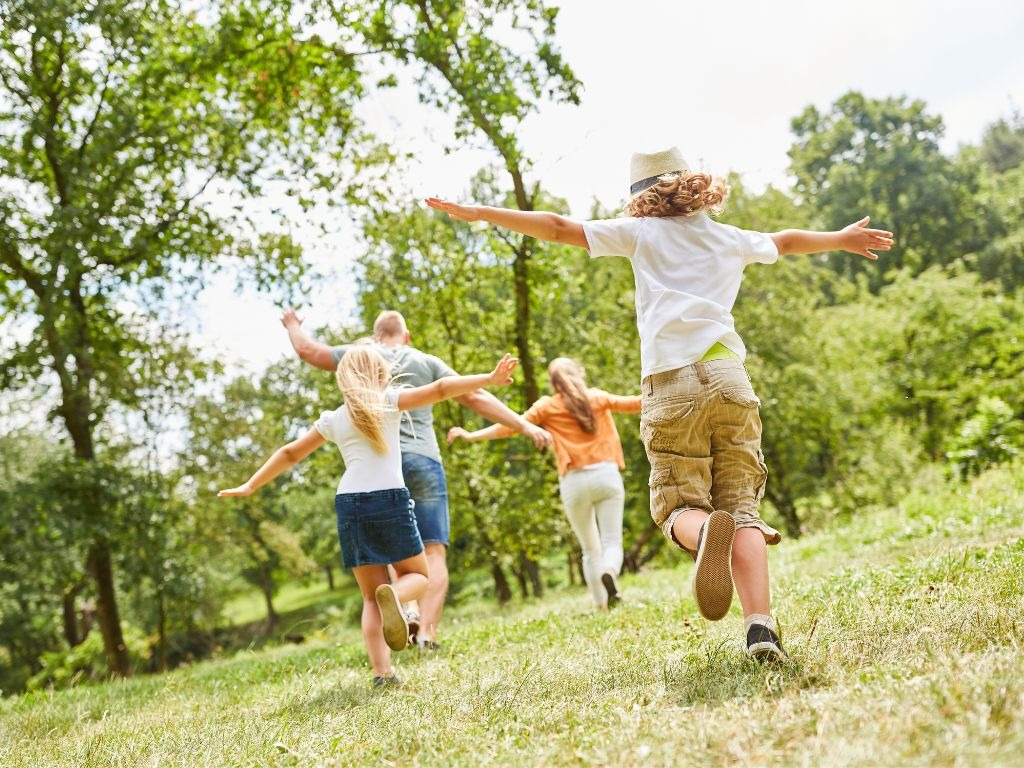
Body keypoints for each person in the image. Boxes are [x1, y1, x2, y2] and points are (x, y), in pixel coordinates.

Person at [425, 146, 893, 661]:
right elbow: (784, 240)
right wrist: (843, 239)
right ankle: (761, 629)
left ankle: (702, 531)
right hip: (729, 378)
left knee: (676, 506)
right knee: (743, 510)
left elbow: (558, 226)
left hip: (671, 384)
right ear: (692, 184)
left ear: (642, 197)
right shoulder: (727, 237)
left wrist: (483, 213)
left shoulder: (641, 234)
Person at [218, 345, 519, 686]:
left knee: (369, 597)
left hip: (349, 504)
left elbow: (289, 453)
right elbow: (440, 389)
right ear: (380, 374)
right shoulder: (389, 401)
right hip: (389, 498)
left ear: (343, 379)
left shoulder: (333, 419)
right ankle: (397, 596)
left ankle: (382, 673)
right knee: (419, 576)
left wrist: (250, 485)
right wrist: (489, 378)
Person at [281, 308, 551, 651]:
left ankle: (405, 610)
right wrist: (524, 425)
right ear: (406, 336)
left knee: (398, 551)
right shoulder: (424, 360)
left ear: (376, 335)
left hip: (379, 469)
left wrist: (292, 324)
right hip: (423, 461)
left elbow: (309, 351)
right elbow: (472, 395)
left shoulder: (359, 356)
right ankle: (427, 634)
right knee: (432, 552)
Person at [448, 357, 640, 610]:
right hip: (606, 475)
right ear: (578, 374)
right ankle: (610, 571)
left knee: (589, 548)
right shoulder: (597, 398)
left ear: (553, 383)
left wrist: (472, 435)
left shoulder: (547, 406)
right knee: (611, 542)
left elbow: (511, 426)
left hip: (574, 482)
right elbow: (637, 403)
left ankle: (600, 605)